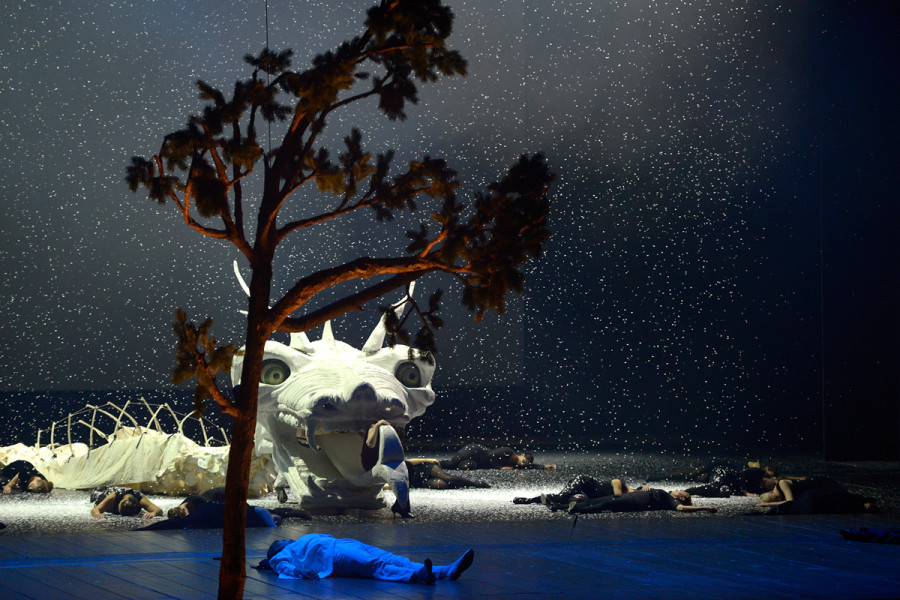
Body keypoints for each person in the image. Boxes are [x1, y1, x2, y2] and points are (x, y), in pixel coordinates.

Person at [256, 534, 474, 585]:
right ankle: (416, 576)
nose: (284, 540)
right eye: (280, 541)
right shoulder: (281, 555)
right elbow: (282, 566)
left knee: (390, 557)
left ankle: (445, 570)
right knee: (375, 566)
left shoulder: (297, 543)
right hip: (335, 556)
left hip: (342, 543)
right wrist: (299, 572)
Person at [649, 460, 777, 497]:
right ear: (773, 477)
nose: (772, 487)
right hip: (722, 470)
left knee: (721, 490)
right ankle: (682, 491)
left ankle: (691, 490)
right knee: (694, 474)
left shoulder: (759, 488)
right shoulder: (759, 472)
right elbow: (742, 474)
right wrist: (746, 492)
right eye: (774, 484)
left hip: (726, 479)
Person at [756, 477, 876, 515]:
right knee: (837, 501)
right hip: (817, 491)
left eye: (775, 498)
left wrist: (768, 504)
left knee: (841, 495)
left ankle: (865, 501)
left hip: (821, 484)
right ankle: (864, 505)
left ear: (772, 492)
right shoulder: (781, 490)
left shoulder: (781, 484)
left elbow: (789, 501)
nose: (778, 500)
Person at [513, 475, 636, 509]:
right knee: (561, 497)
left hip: (586, 491)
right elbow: (618, 497)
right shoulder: (617, 482)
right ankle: (528, 500)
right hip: (582, 482)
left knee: (566, 500)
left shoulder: (629, 491)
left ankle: (550, 502)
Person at [567, 488, 717, 514]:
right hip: (630, 497)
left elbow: (682, 509)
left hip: (632, 503)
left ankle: (576, 509)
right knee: (596, 500)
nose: (678, 489)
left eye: (681, 491)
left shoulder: (671, 500)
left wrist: (704, 507)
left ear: (681, 498)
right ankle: (560, 507)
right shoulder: (665, 494)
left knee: (605, 505)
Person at [440, 443, 556, 471]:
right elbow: (491, 456)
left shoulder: (516, 465)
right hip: (475, 452)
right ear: (521, 455)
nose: (522, 464)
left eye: (525, 463)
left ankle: (441, 468)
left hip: (477, 462)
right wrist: (500, 468)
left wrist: (545, 467)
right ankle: (431, 464)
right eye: (523, 461)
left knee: (465, 467)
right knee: (451, 463)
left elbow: (530, 466)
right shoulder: (508, 451)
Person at [406, 458, 491, 490]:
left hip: (422, 468)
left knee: (447, 478)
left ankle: (474, 483)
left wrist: (428, 460)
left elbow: (408, 461)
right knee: (441, 485)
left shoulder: (393, 459)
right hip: (418, 481)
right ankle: (458, 484)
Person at [90, 485, 162, 519]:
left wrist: (153, 513)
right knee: (95, 494)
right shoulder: (113, 496)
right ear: (121, 501)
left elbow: (158, 510)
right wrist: (97, 514)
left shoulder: (140, 498)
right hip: (102, 494)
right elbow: (95, 509)